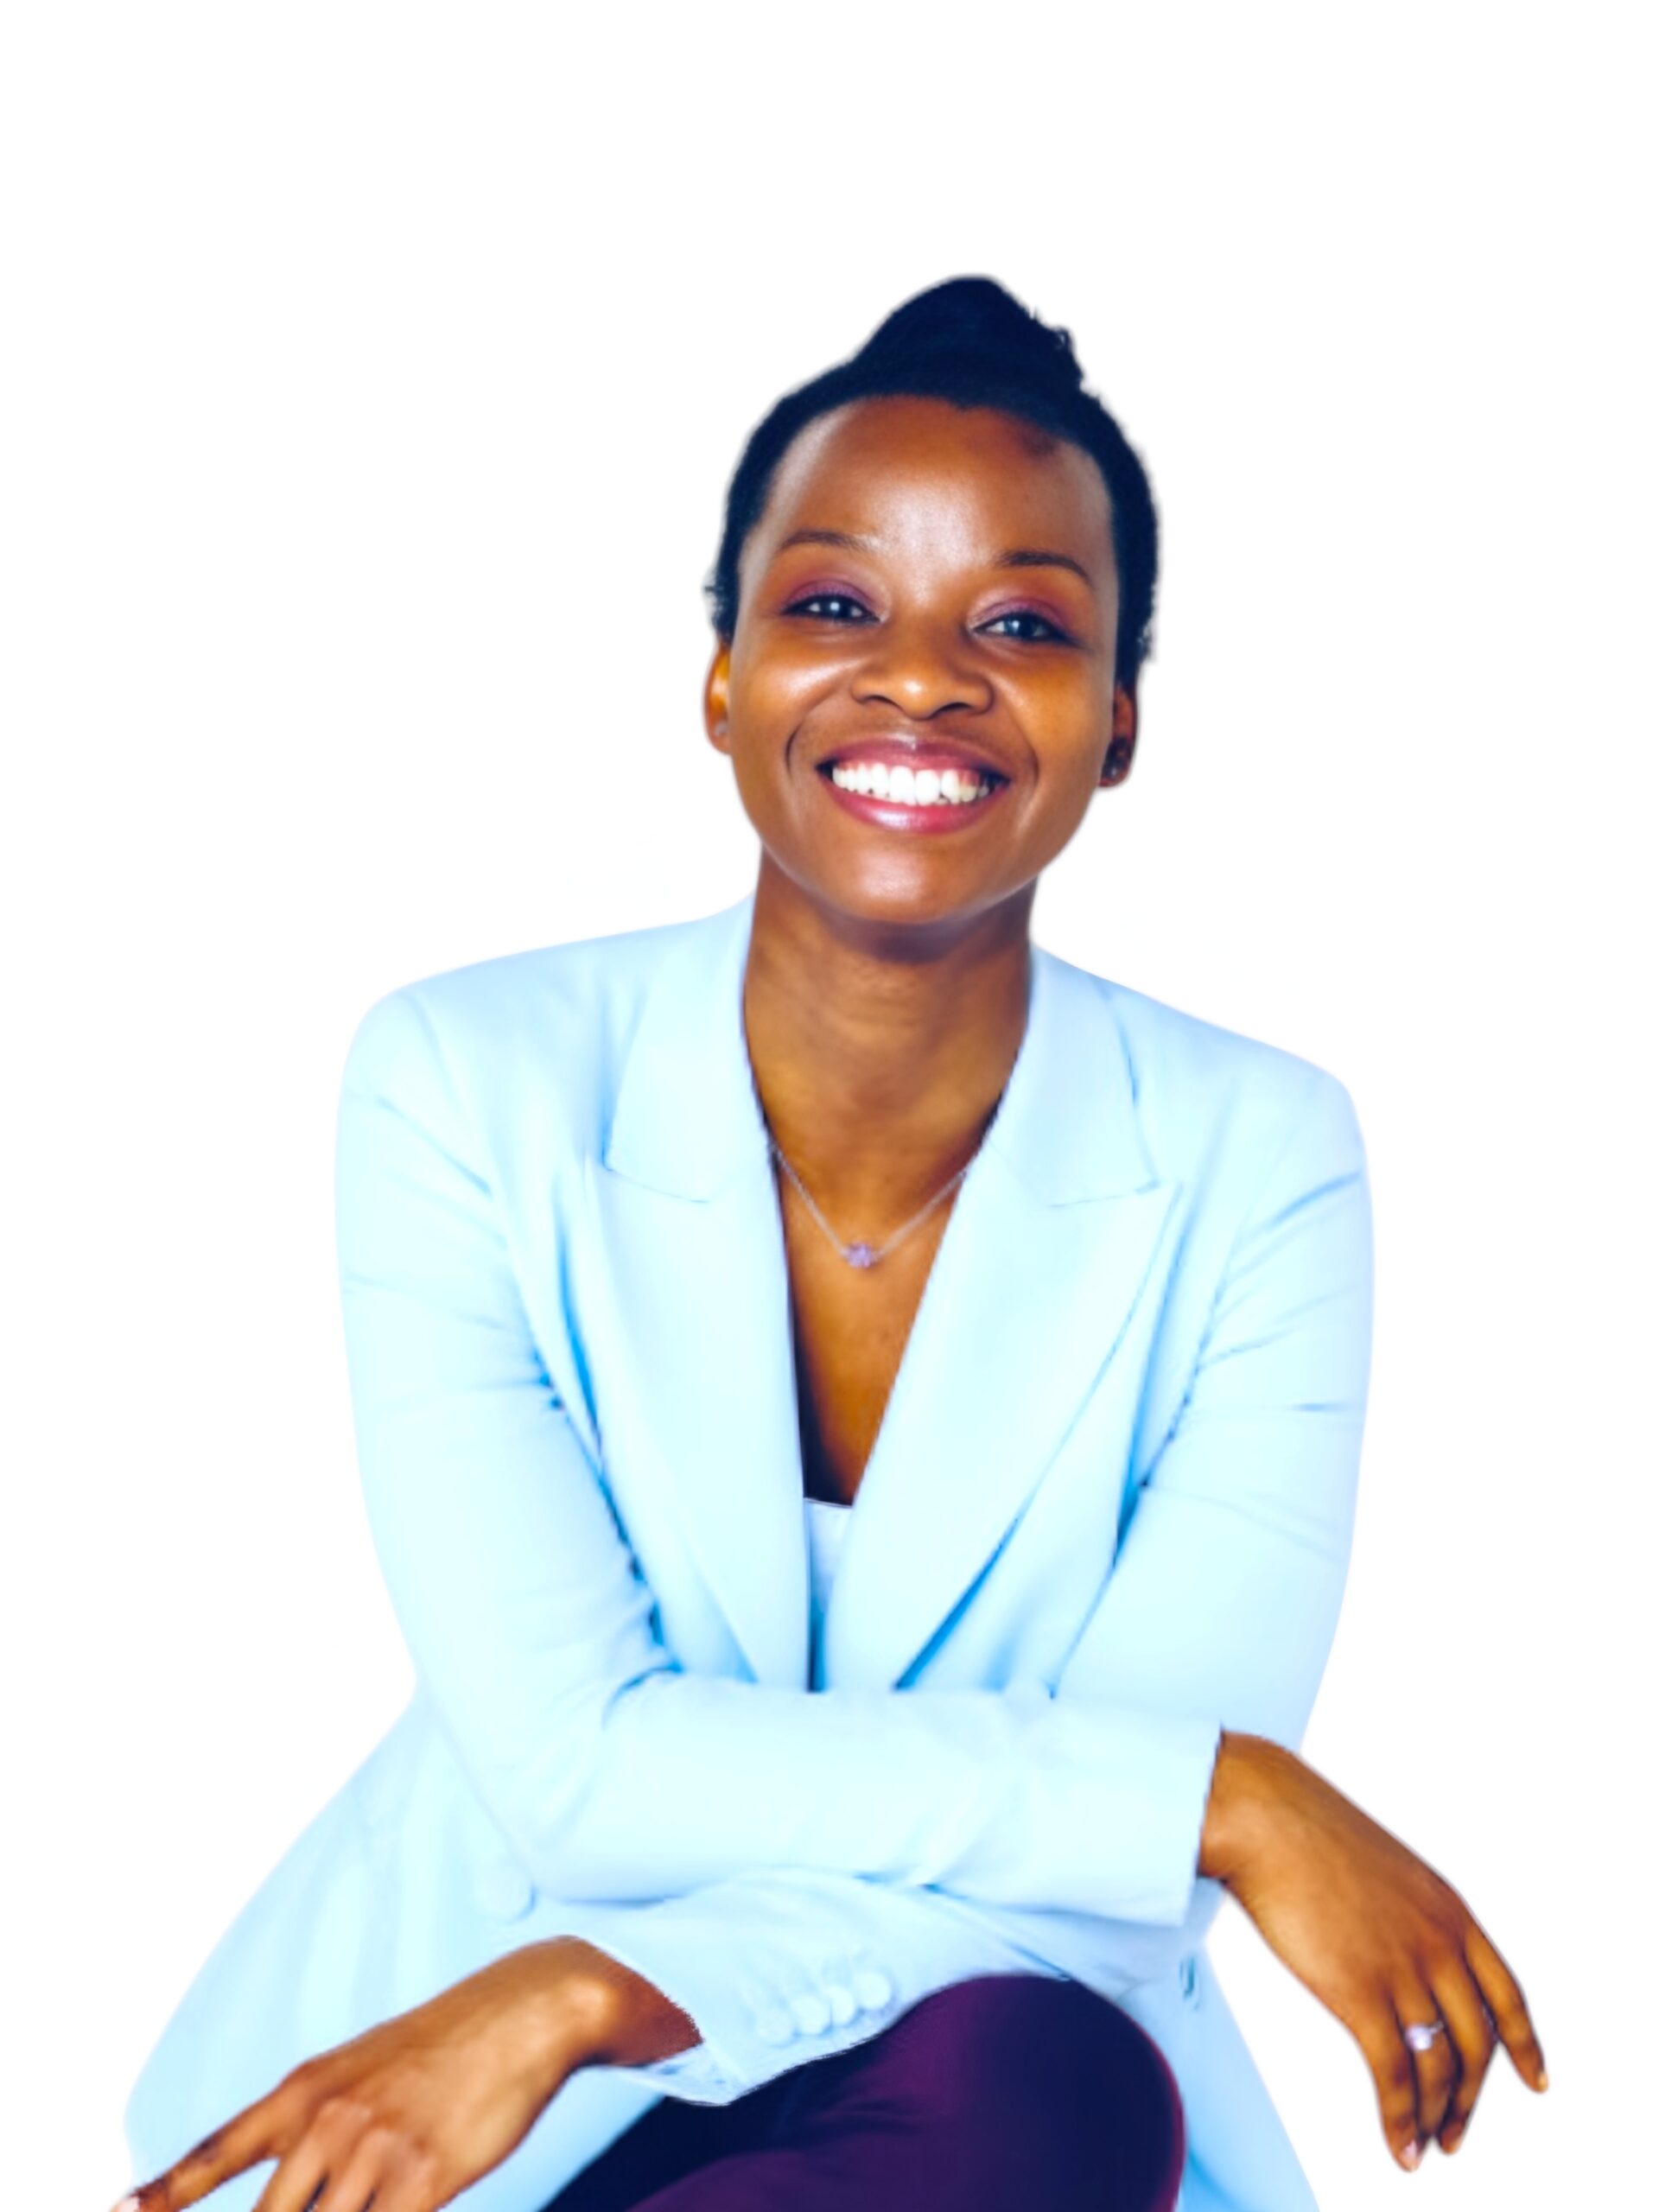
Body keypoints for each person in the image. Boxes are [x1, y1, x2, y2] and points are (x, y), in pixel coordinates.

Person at [115, 276, 1548, 2212]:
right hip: (457, 2104)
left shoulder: (1260, 1157)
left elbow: (1106, 1899)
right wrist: (1211, 1799)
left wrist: (595, 1990)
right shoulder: (467, 1082)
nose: (924, 679)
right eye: (835, 605)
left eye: (1022, 624)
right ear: (723, 680)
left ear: (1119, 721)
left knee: (1047, 2077)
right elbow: (581, 1773)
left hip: (942, 2076)